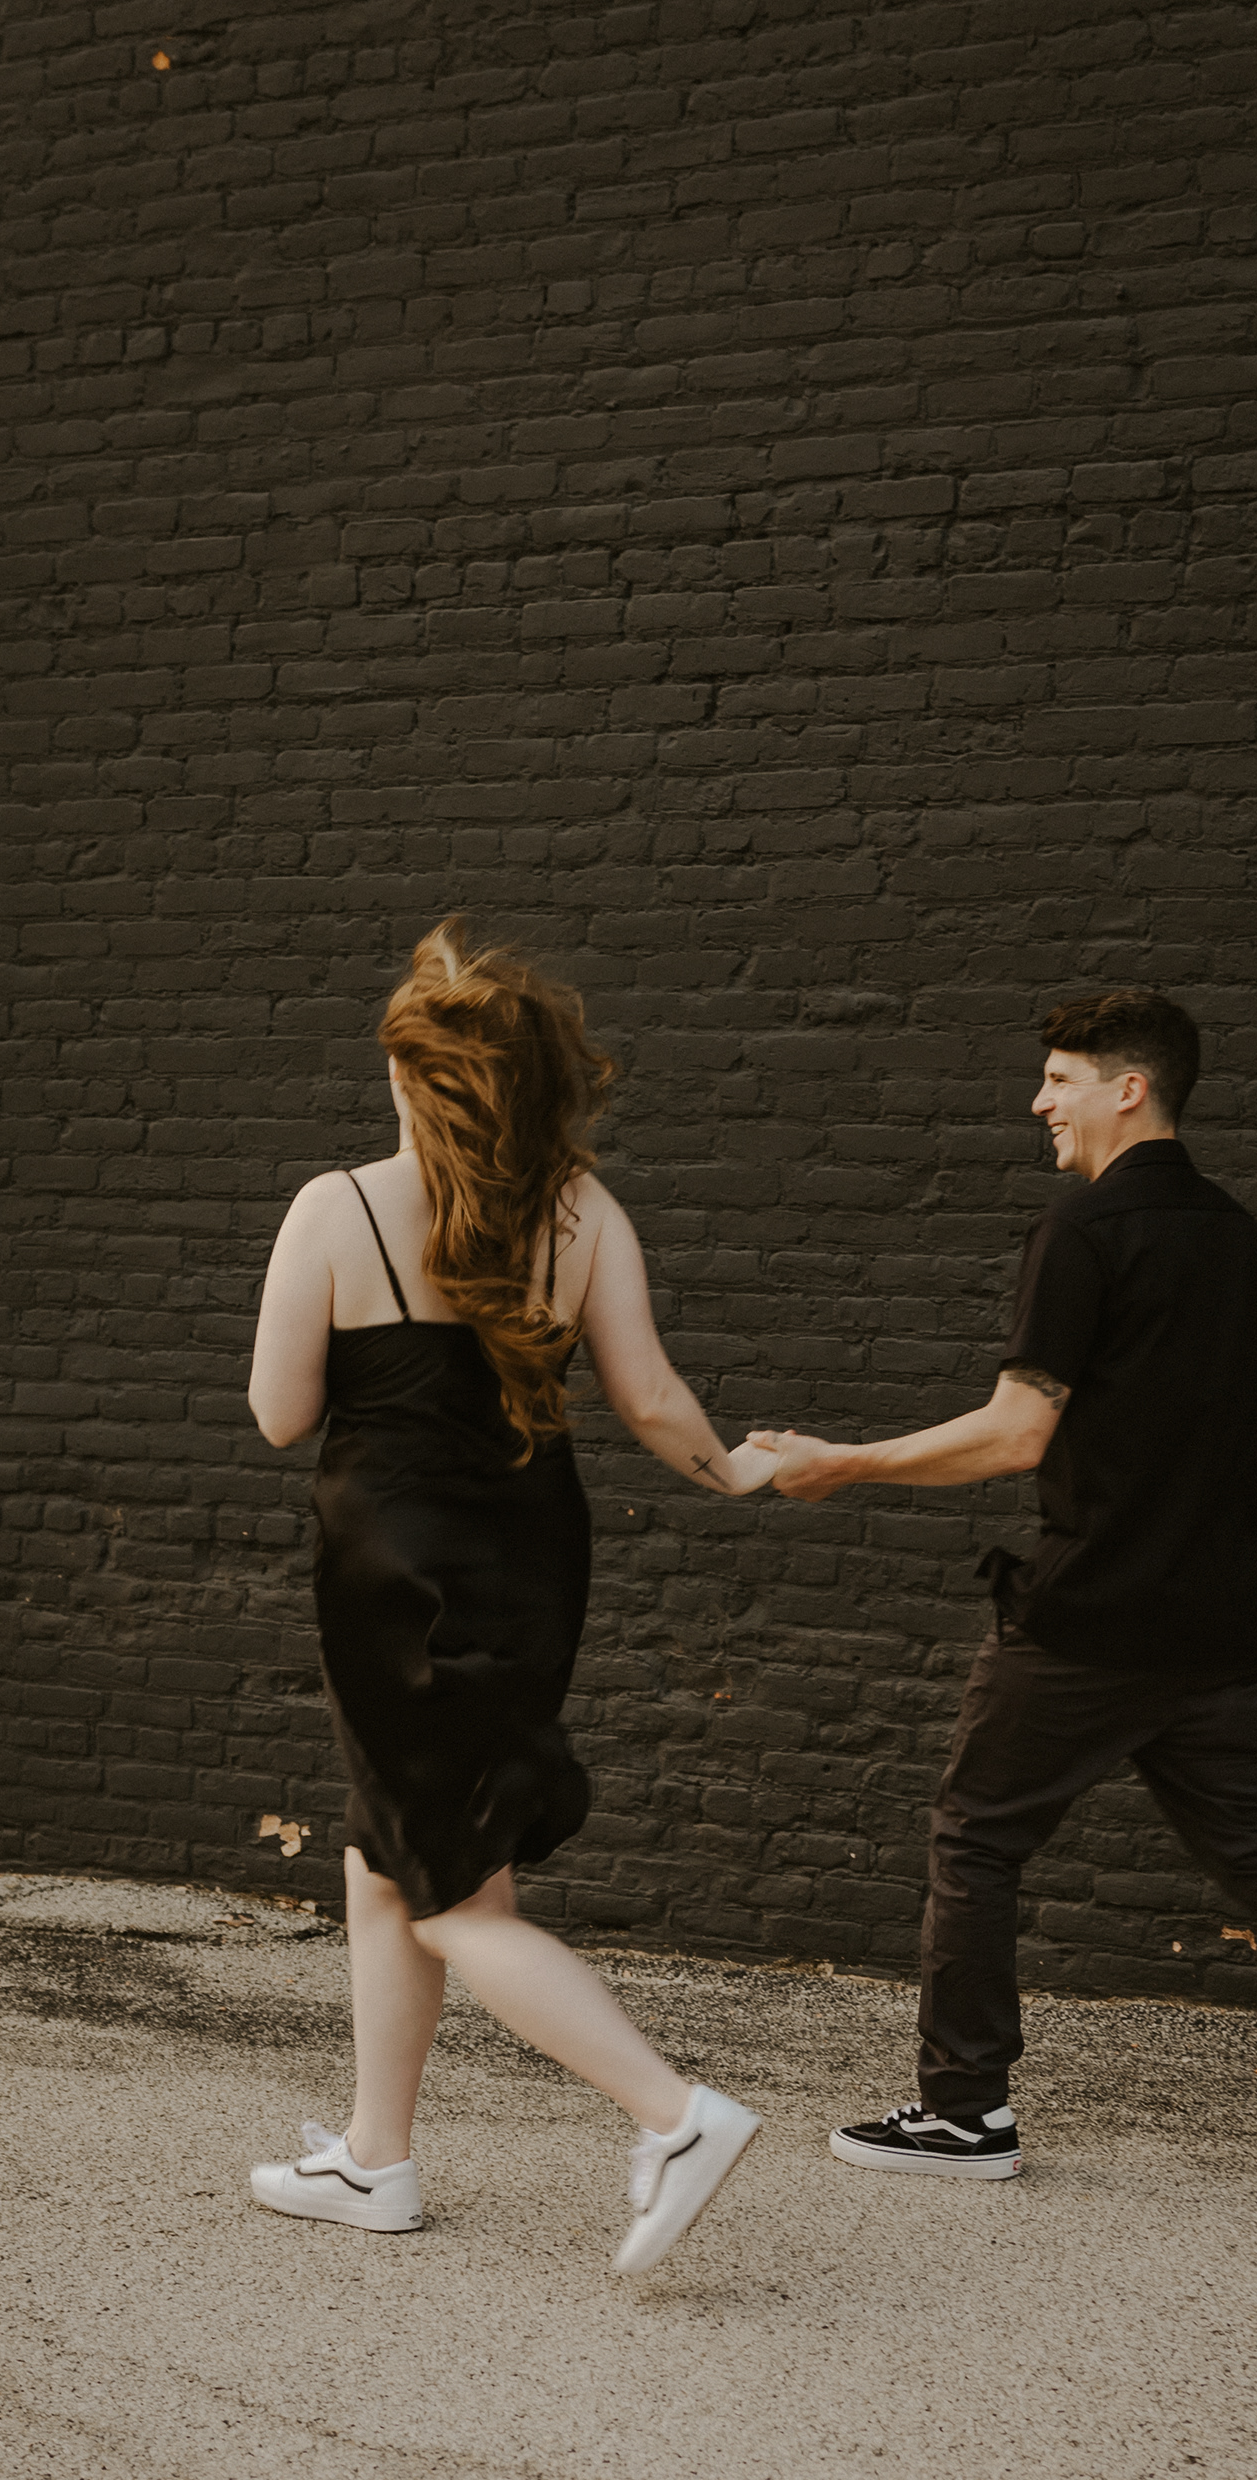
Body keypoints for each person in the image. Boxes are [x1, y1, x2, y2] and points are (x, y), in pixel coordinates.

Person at [754, 987, 1257, 2219]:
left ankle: (964, 2111)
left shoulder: (1083, 1230)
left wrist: (841, 1463)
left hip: (1094, 1618)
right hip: (1221, 1621)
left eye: (1060, 1079)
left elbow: (1017, 1433)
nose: (1038, 1101)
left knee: (976, 1835)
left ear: (1129, 1089)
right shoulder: (1243, 1242)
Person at [245, 917, 775, 2274]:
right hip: (532, 1560)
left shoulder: (336, 1208)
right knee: (388, 1850)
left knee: (453, 1899)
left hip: (394, 1578)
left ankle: (676, 2117)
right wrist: (738, 1472)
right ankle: (375, 2159)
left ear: (413, 1077)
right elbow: (651, 1397)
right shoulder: (582, 1214)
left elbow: (280, 1413)